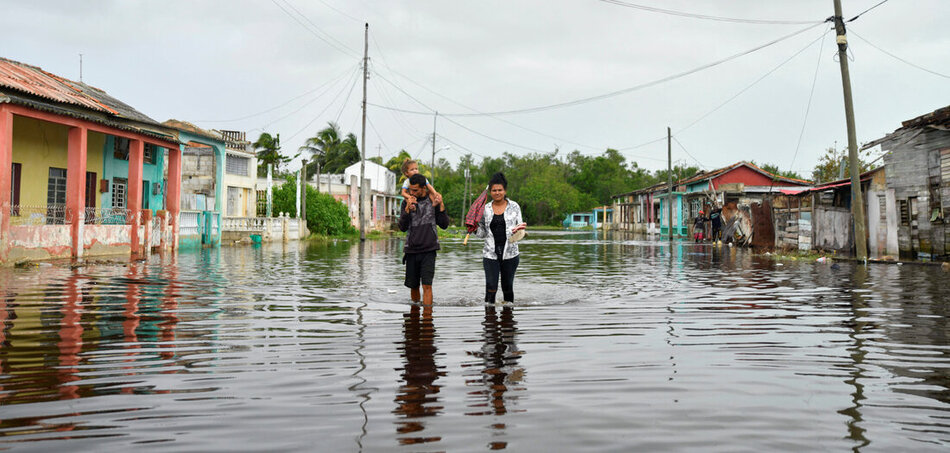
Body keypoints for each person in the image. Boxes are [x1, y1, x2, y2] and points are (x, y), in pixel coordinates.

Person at [399, 173, 449, 306]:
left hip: (429, 249)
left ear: (423, 189)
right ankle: (414, 317)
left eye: (415, 190)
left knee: (427, 286)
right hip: (411, 250)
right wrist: (407, 209)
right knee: (414, 286)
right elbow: (402, 227)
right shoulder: (406, 201)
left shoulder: (433, 200)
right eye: (410, 189)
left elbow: (444, 224)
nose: (411, 193)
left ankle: (427, 319)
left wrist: (441, 205)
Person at [476, 172, 527, 304]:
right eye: (494, 190)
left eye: (500, 190)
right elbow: (482, 233)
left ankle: (508, 318)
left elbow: (520, 230)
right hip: (490, 254)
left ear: (505, 191)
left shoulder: (514, 207)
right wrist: (473, 228)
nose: (497, 193)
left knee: (507, 288)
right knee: (491, 288)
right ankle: (489, 317)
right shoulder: (485, 209)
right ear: (490, 192)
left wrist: (517, 230)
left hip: (511, 254)